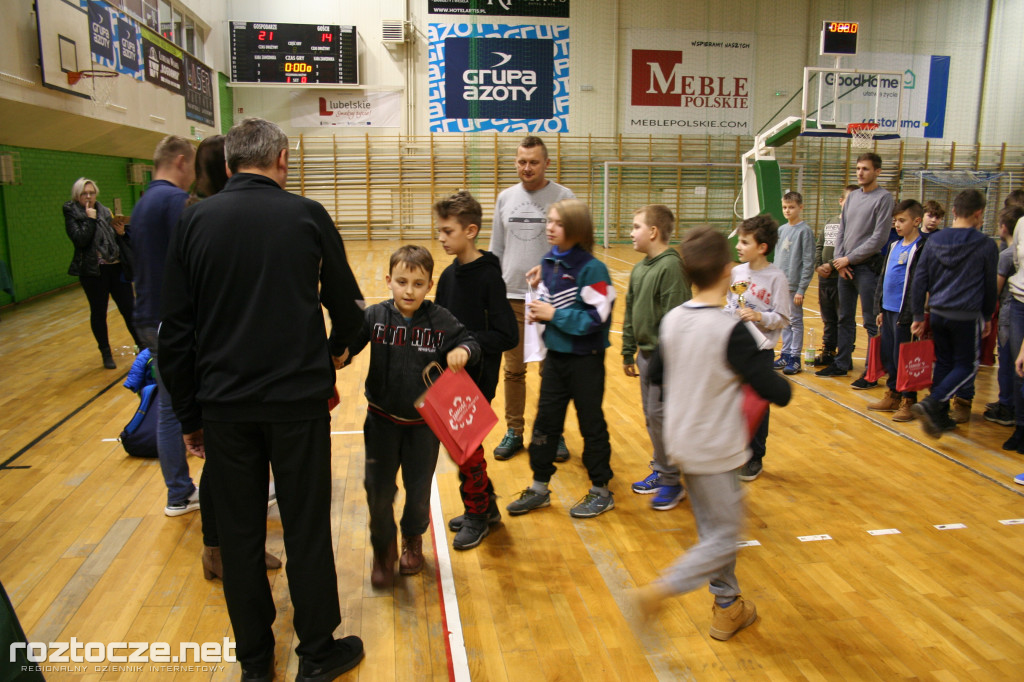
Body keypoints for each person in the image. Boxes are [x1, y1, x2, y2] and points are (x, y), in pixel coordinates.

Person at [159, 117, 366, 681]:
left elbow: (175, 332)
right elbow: (349, 310)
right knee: (304, 529)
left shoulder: (195, 220)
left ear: (227, 166)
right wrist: (337, 352)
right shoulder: (306, 215)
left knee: (241, 536)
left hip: (224, 408)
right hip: (297, 403)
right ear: (283, 161)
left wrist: (189, 414)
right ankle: (317, 652)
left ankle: (254, 662)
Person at [635, 226, 791, 641]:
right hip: (717, 451)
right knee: (724, 538)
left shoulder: (673, 320)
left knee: (711, 529)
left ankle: (728, 606)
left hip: (682, 444)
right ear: (728, 272)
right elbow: (778, 391)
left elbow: (661, 379)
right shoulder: (729, 330)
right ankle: (659, 590)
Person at [177, 134, 282, 577]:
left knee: (229, 467)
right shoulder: (201, 217)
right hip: (218, 364)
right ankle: (221, 550)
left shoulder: (217, 214)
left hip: (223, 363)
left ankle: (225, 548)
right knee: (226, 468)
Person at [345, 245, 480, 584]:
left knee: (418, 491)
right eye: (402, 282)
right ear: (389, 280)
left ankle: (412, 539)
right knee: (377, 490)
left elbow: (472, 342)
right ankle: (383, 550)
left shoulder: (440, 320)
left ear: (429, 285)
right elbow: (350, 344)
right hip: (380, 422)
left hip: (423, 428)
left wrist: (463, 351)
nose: (409, 290)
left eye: (418, 284)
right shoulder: (375, 316)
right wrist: (339, 354)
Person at [506, 199, 617, 518]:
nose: (549, 227)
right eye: (549, 221)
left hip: (586, 361)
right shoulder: (549, 261)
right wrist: (538, 301)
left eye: (557, 223)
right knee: (546, 423)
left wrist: (553, 314)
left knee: (591, 425)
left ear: (576, 229)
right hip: (555, 360)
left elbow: (597, 317)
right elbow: (554, 303)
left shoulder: (593, 269)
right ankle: (539, 488)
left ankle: (601, 490)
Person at [433, 191, 518, 550]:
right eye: (438, 230)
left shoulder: (488, 277)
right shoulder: (449, 277)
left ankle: (477, 514)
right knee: (460, 448)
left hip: (477, 378)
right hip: (449, 380)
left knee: (466, 450)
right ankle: (484, 505)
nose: (440, 238)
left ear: (470, 230)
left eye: (447, 231)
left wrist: (470, 347)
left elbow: (507, 334)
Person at [489, 135, 575, 462]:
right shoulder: (504, 198)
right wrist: (491, 294)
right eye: (522, 161)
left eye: (534, 162)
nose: (527, 168)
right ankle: (514, 431)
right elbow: (496, 250)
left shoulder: (565, 198)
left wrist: (551, 265)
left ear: (546, 163)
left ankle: (552, 432)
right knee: (513, 371)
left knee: (551, 372)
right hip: (510, 297)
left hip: (552, 301)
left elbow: (577, 249)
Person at [129, 135, 202, 518]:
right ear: (179, 161)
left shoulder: (142, 204)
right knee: (180, 407)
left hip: (147, 316)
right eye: (192, 167)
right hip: (171, 321)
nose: (193, 176)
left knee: (171, 405)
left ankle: (179, 490)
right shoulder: (175, 203)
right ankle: (181, 491)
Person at [910, 189, 998, 438]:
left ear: (955, 211)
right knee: (968, 366)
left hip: (937, 312)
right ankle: (933, 402)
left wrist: (918, 315)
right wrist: (988, 315)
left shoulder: (935, 240)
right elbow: (989, 286)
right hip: (965, 315)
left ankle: (939, 418)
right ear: (979, 214)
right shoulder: (985, 244)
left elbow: (920, 279)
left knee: (945, 363)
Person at [623, 205, 692, 510]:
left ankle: (671, 481)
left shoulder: (671, 268)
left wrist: (665, 362)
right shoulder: (640, 268)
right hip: (645, 356)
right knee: (653, 418)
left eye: (636, 226)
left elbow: (675, 321)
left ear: (653, 232)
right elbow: (629, 309)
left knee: (661, 417)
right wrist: (628, 349)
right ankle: (662, 467)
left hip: (666, 360)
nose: (631, 232)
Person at [816, 153, 894, 387]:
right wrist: (840, 260)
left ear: (877, 171)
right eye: (858, 168)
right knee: (844, 318)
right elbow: (842, 231)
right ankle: (841, 363)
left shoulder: (884, 198)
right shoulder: (852, 198)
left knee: (871, 321)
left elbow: (878, 238)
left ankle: (872, 372)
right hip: (845, 269)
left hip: (866, 268)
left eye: (866, 169)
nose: (860, 173)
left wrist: (849, 258)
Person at [725, 214, 791, 481]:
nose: (738, 246)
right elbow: (730, 304)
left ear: (762, 247)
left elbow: (784, 318)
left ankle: (755, 457)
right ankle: (731, 451)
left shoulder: (776, 278)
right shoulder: (736, 272)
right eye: (738, 241)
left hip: (761, 352)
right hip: (735, 348)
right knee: (731, 403)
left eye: (744, 242)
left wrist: (760, 317)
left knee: (757, 406)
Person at [63, 177, 141, 369]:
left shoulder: (105, 211)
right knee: (99, 312)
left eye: (91, 192)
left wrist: (121, 232)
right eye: (84, 193)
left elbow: (116, 239)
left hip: (115, 266)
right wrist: (89, 219)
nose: (88, 196)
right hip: (93, 271)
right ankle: (106, 353)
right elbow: (80, 240)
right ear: (77, 196)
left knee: (129, 308)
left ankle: (143, 348)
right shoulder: (72, 213)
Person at [867, 199, 927, 422]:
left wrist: (916, 313)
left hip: (906, 313)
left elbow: (920, 282)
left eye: (902, 220)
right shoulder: (894, 245)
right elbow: (884, 277)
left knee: (907, 358)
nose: (897, 225)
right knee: (890, 354)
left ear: (917, 221)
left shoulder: (921, 247)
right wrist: (880, 308)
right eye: (895, 221)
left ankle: (909, 400)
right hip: (889, 309)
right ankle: (892, 394)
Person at [985, 205, 1024, 427]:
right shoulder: (1011, 253)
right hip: (1013, 310)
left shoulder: (1006, 256)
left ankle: (1008, 405)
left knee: (1009, 359)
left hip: (1010, 312)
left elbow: (996, 289)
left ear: (1003, 228)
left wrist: (988, 312)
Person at [812, 185, 858, 368]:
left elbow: (850, 251)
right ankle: (828, 350)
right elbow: (819, 245)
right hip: (825, 279)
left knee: (843, 317)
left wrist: (830, 265)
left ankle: (844, 354)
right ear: (841, 201)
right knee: (828, 316)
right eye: (848, 200)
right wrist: (817, 266)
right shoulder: (830, 221)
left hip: (841, 278)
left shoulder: (855, 227)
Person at [772, 191, 815, 375]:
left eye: (791, 207)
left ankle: (795, 357)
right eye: (784, 207)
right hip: (781, 285)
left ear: (800, 207)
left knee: (795, 321)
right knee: (784, 321)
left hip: (794, 285)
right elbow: (777, 258)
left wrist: (801, 289)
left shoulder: (805, 231)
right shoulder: (781, 230)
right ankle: (786, 353)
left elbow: (808, 261)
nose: (787, 210)